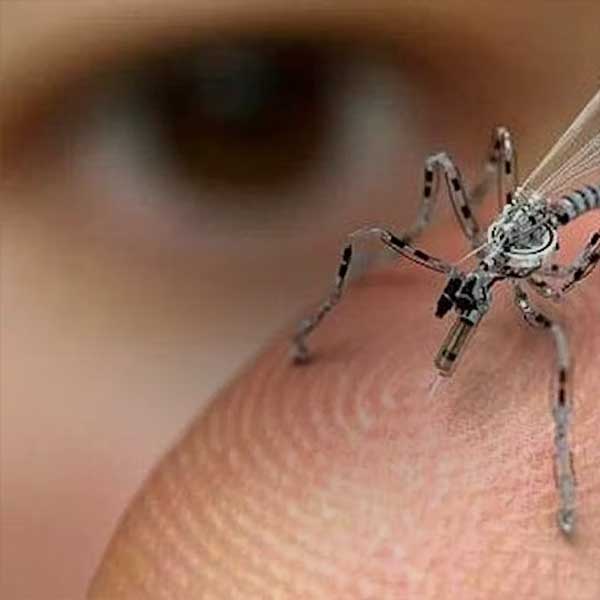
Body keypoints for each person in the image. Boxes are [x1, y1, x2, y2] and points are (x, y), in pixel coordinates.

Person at [2, 2, 599, 598]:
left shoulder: (536, 289)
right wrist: (412, 239)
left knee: (557, 339)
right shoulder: (481, 258)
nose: (459, 297)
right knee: (386, 223)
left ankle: (567, 485)